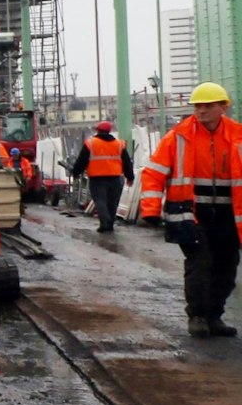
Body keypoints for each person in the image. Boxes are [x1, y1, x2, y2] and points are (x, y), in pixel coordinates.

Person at [138, 83, 242, 337]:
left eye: (208, 106)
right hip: (191, 213)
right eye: (198, 106)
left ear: (223, 108)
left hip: (229, 215)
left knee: (227, 267)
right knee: (200, 264)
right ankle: (197, 316)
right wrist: (150, 209)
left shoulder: (238, 135)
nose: (201, 111)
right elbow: (153, 173)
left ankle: (214, 316)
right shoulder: (178, 137)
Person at [70, 120, 127, 232]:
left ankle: (104, 222)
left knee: (100, 200)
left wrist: (76, 173)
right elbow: (126, 161)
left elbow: (82, 160)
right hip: (115, 178)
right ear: (109, 131)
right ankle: (110, 225)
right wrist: (130, 176)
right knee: (112, 202)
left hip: (97, 178)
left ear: (98, 130)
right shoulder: (119, 144)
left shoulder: (90, 143)